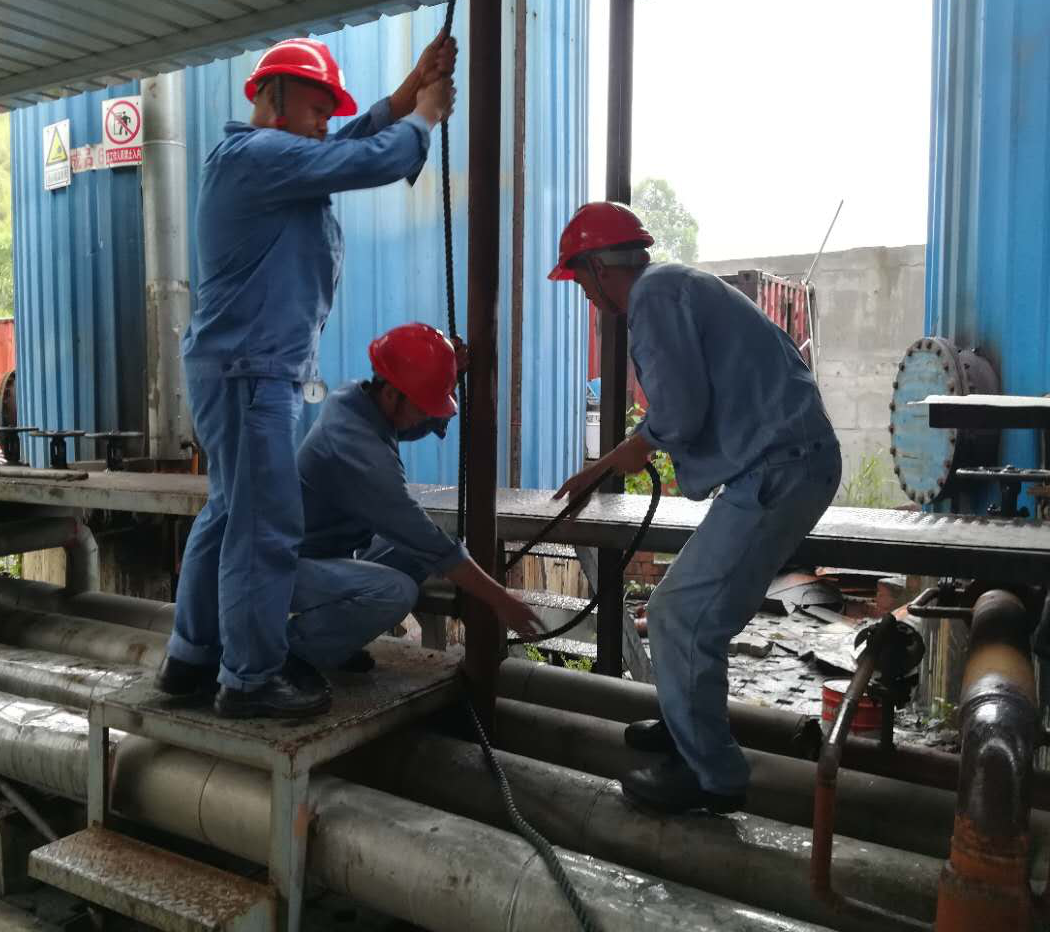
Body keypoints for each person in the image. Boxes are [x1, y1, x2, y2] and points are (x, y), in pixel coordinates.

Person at [157, 35, 458, 719]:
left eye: (329, 111)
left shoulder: (266, 163)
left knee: (229, 513)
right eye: (317, 108)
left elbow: (342, 145)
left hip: (243, 370)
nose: (326, 122)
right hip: (252, 373)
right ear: (274, 97)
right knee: (263, 527)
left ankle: (191, 656)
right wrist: (425, 118)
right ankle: (250, 679)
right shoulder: (257, 156)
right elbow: (362, 158)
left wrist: (406, 92)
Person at [548, 201, 840, 813]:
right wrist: (614, 460)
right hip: (784, 463)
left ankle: (709, 773)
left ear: (600, 267)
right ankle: (686, 724)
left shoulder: (652, 297)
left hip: (779, 468)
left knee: (682, 613)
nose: (585, 295)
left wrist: (625, 453)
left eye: (580, 279)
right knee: (687, 607)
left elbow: (680, 413)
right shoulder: (675, 285)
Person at [287, 323, 541, 671]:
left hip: (326, 555)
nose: (425, 416)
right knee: (396, 591)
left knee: (419, 556)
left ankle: (332, 642)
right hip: (290, 569)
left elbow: (408, 422)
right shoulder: (361, 451)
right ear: (392, 394)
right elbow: (430, 543)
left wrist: (444, 376)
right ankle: (291, 654)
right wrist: (502, 600)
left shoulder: (358, 401)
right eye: (423, 406)